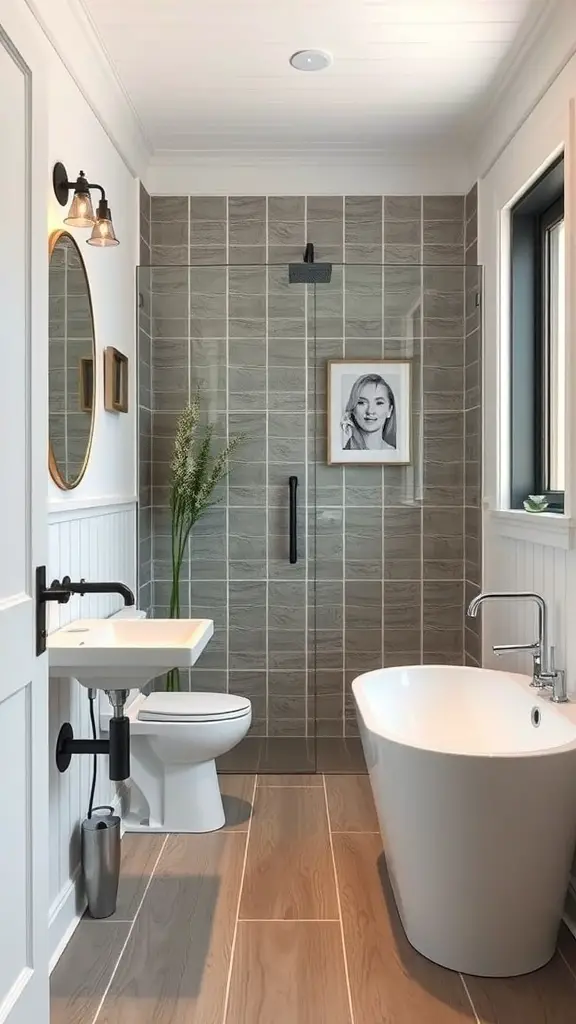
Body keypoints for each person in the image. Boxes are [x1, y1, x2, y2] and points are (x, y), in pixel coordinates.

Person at [341, 373, 396, 451]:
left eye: (379, 403)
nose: (370, 411)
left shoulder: (394, 452)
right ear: (353, 408)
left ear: (390, 410)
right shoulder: (342, 452)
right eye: (361, 403)